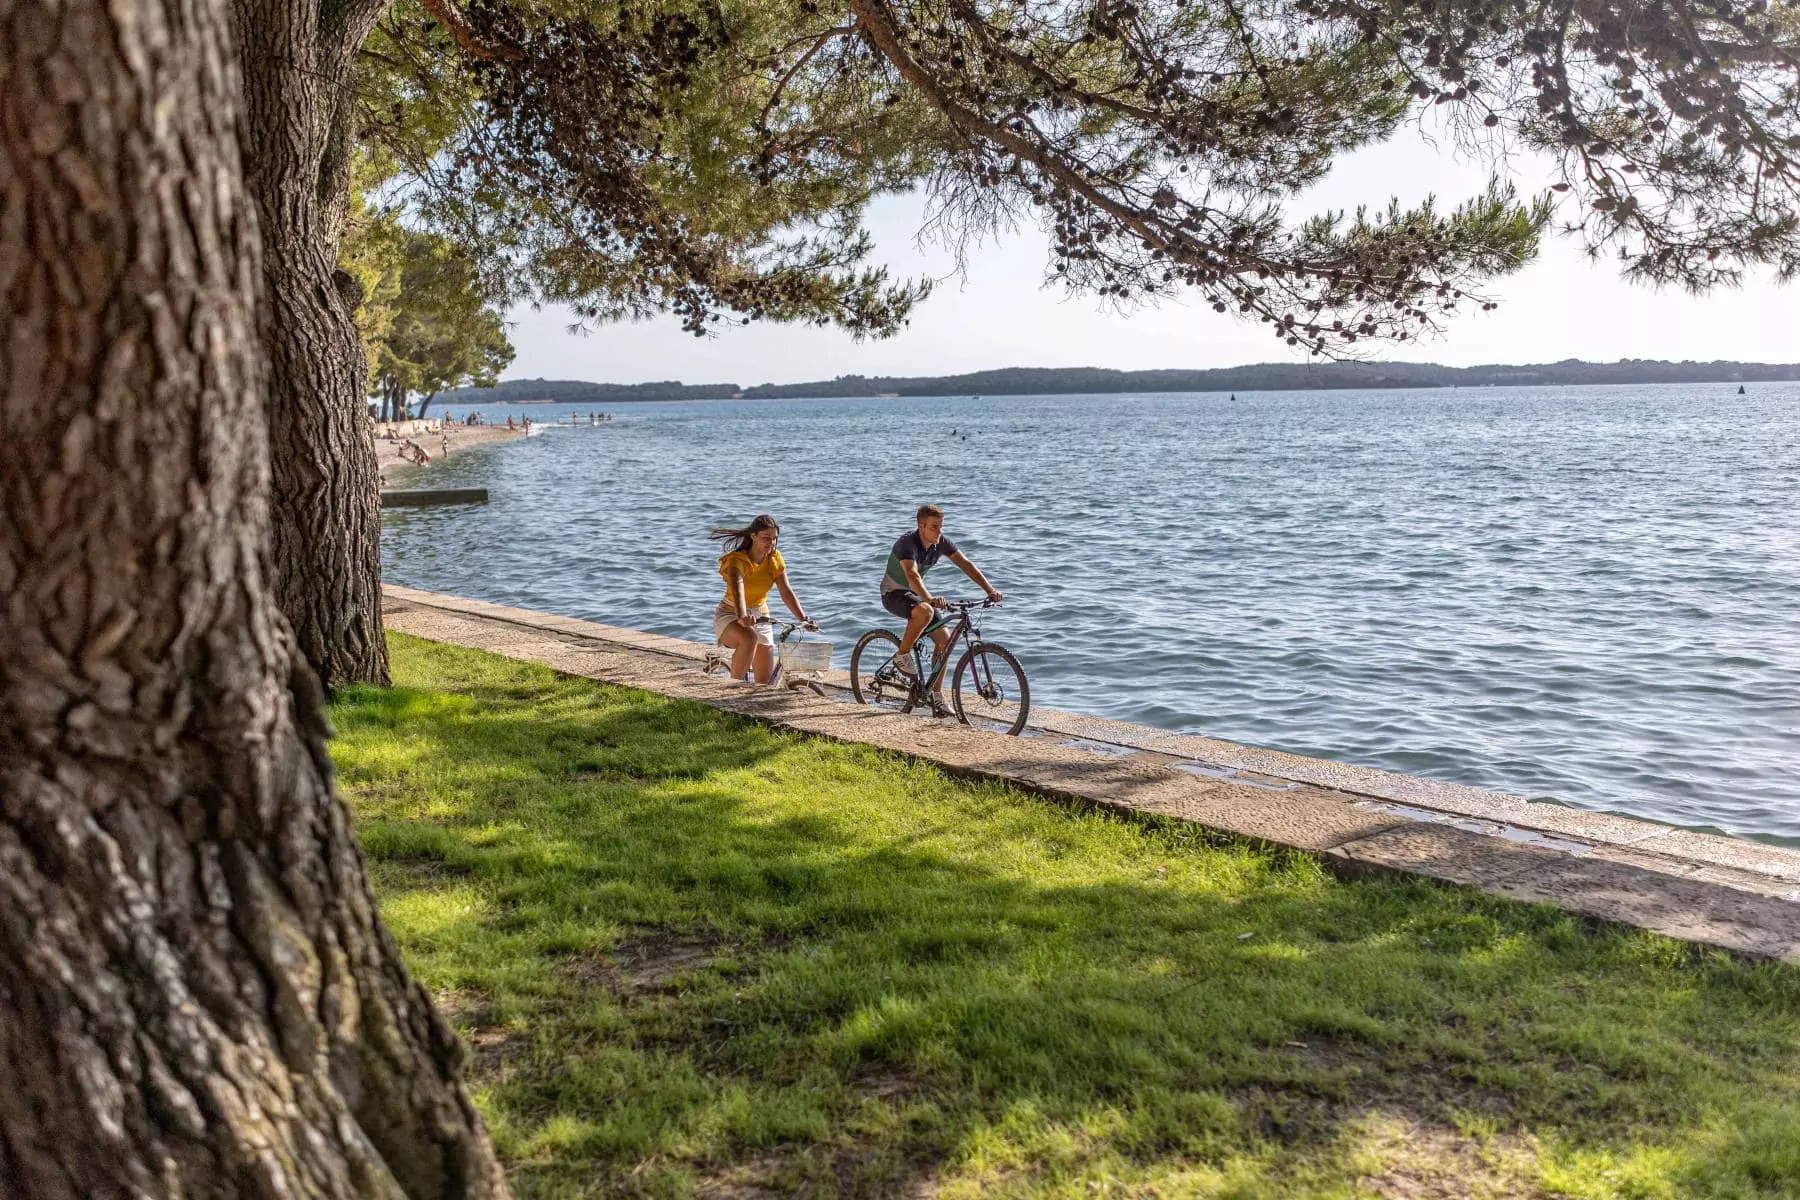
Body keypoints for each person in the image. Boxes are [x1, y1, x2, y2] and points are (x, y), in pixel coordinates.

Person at [880, 504, 1002, 716]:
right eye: (934, 527)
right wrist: (929, 599)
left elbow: (965, 564)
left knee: (944, 643)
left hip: (916, 596)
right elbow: (912, 575)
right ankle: (902, 655)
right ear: (921, 526)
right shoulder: (907, 543)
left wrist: (990, 590)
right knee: (926, 611)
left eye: (941, 527)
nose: (939, 532)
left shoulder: (940, 543)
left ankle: (936, 696)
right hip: (893, 594)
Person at [710, 514, 814, 683]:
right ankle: (730, 691)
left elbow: (786, 592)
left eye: (774, 538)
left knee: (764, 682)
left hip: (760, 614)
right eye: (766, 537)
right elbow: (738, 590)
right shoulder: (737, 561)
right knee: (749, 638)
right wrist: (742, 616)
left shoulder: (774, 558)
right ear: (753, 536)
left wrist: (804, 618)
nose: (770, 542)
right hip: (730, 613)